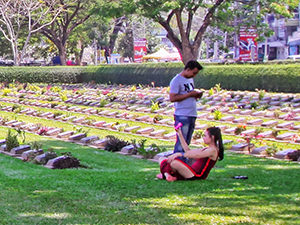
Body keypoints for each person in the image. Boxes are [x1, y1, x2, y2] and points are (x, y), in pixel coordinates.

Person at [158, 126, 224, 182]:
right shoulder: (207, 149)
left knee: (174, 163)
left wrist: (179, 154)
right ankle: (168, 175)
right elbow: (188, 151)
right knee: (162, 159)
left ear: (212, 137)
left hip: (197, 175)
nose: (203, 138)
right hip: (190, 171)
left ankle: (166, 174)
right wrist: (180, 134)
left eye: (205, 136)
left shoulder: (213, 150)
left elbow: (196, 155)